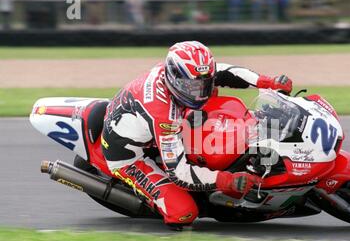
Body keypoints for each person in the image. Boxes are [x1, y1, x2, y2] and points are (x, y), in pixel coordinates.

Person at [101, 41, 293, 230]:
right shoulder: (164, 115)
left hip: (155, 122)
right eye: (192, 87)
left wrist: (268, 82)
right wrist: (227, 181)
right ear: (174, 78)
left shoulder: (186, 73)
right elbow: (179, 173)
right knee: (183, 213)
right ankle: (158, 200)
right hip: (128, 154)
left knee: (214, 105)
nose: (200, 93)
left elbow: (227, 72)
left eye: (204, 84)